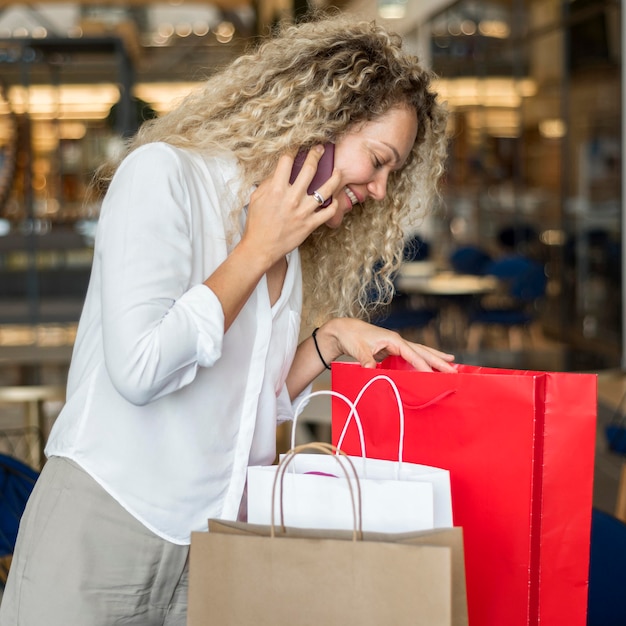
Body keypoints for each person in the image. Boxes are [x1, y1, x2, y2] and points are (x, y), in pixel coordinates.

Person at [0, 14, 456, 625]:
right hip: (105, 525)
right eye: (377, 160)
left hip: (207, 544)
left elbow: (241, 406)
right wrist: (255, 251)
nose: (378, 189)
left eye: (389, 175)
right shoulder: (166, 176)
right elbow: (141, 371)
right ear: (321, 118)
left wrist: (329, 340)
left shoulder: (286, 251)